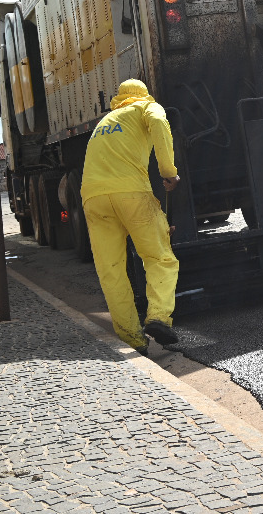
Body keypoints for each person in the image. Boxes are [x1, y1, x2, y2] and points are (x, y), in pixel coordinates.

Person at [81, 79, 182, 355]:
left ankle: (132, 340)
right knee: (159, 257)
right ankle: (159, 317)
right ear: (143, 95)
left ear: (118, 99)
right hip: (131, 194)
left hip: (93, 198)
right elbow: (160, 124)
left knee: (111, 270)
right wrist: (168, 172)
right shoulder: (145, 107)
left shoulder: (104, 122)